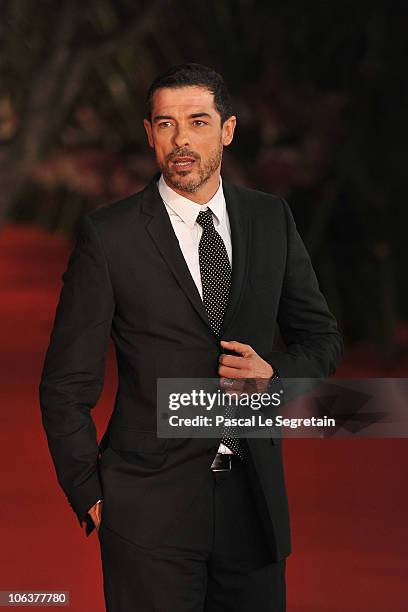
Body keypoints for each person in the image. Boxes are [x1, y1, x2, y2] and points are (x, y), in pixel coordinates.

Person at [39, 63, 343, 611]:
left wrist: (276, 374)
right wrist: (90, 493)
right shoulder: (109, 236)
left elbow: (320, 338)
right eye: (165, 124)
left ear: (227, 130)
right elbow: (66, 382)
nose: (181, 139)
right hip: (146, 510)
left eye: (197, 121)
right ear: (150, 134)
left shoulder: (271, 218)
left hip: (253, 509)